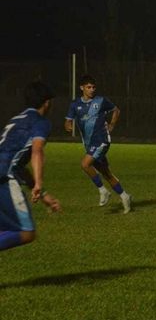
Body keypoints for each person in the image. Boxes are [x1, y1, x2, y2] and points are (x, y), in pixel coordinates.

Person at [0, 82, 61, 251]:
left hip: (5, 173)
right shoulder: (41, 122)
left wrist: (43, 194)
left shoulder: (16, 119)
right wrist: (39, 183)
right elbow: (37, 150)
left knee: (5, 230)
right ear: (47, 102)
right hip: (4, 178)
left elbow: (18, 165)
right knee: (26, 232)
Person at [65, 75, 132, 213]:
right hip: (89, 143)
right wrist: (68, 125)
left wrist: (112, 124)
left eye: (93, 87)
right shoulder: (75, 104)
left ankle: (103, 190)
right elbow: (68, 120)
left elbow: (116, 110)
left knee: (85, 164)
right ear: (82, 88)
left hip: (102, 140)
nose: (92, 90)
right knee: (106, 173)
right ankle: (124, 196)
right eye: (88, 87)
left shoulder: (101, 101)